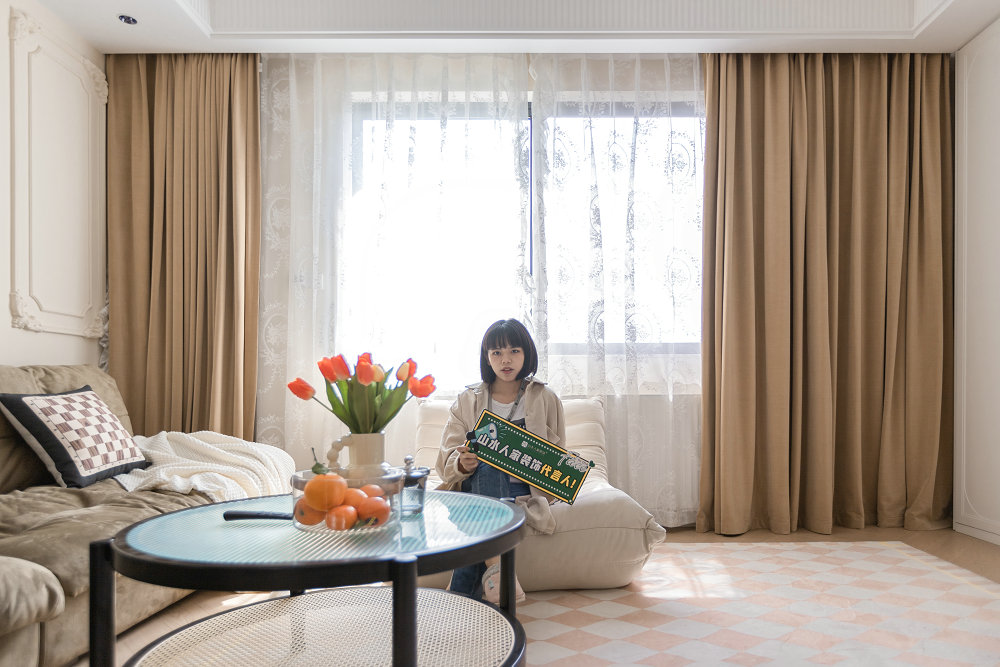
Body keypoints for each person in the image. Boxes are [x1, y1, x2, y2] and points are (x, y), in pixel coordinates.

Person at [436, 318, 566, 603]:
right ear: (487, 357)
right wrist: (462, 464)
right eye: (497, 352)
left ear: (526, 354)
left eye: (514, 351)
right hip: (474, 485)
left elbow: (557, 457)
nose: (506, 360)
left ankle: (458, 596)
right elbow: (446, 460)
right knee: (488, 463)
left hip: (521, 489)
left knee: (482, 498)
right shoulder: (467, 399)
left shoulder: (545, 398)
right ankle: (498, 567)